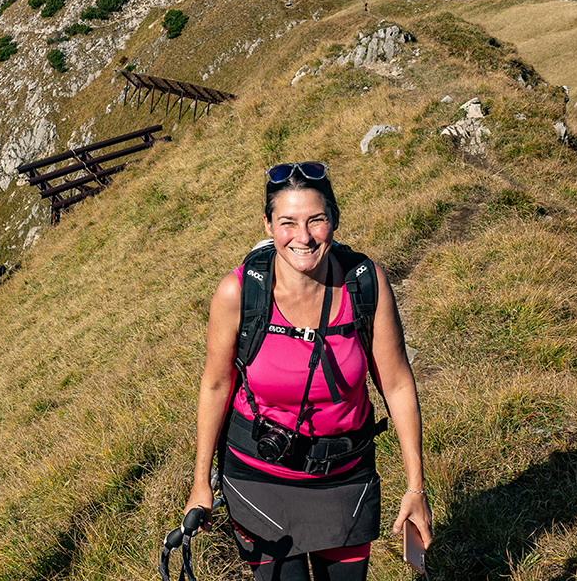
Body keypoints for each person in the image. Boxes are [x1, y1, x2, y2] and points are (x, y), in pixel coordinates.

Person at [185, 161, 432, 581]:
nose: (303, 237)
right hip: (259, 479)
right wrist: (201, 483)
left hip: (344, 477)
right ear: (267, 225)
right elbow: (216, 384)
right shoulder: (240, 292)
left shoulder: (365, 283)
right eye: (287, 223)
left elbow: (397, 383)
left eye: (316, 221)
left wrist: (416, 487)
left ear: (334, 220)